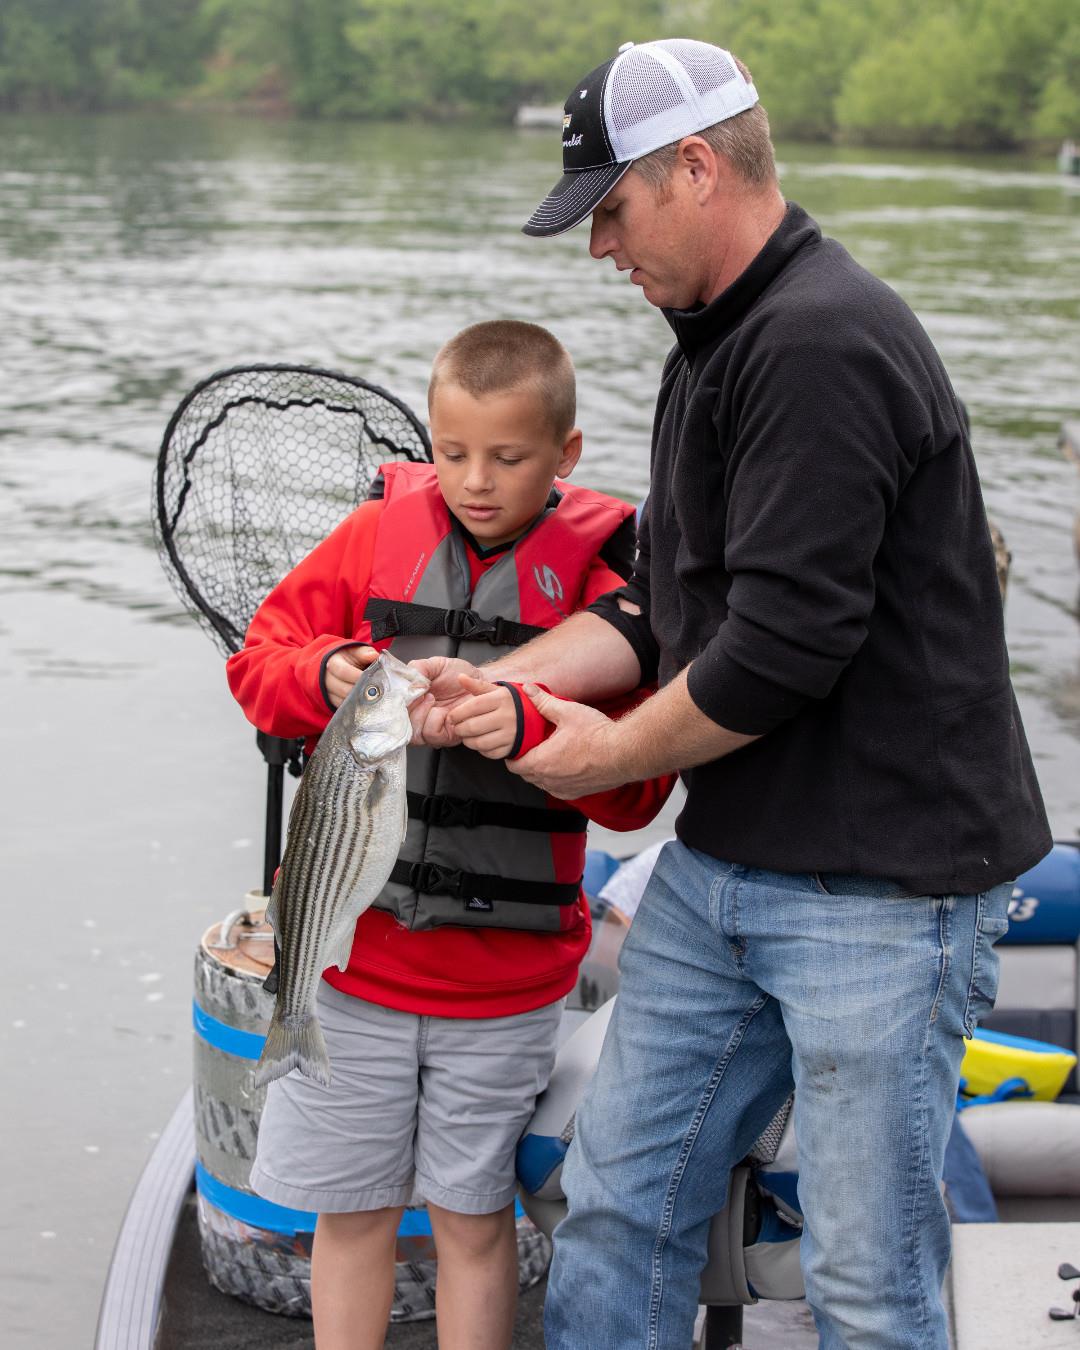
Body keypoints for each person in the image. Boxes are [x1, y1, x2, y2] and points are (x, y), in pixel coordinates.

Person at [410, 40, 1053, 1350]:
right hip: (729, 866)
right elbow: (661, 599)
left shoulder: (821, 342)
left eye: (610, 210)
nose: (599, 247)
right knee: (616, 1205)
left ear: (697, 167)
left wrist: (600, 758)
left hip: (886, 890)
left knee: (866, 1282)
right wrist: (496, 682)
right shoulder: (711, 341)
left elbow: (782, 647)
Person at [226, 319, 673, 1350]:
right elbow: (259, 665)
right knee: (353, 1217)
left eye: (508, 457)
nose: (476, 480)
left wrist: (536, 732)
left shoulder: (609, 586)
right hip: (353, 976)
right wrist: (324, 674)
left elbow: (640, 792)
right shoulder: (370, 540)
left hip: (503, 992)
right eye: (453, 451)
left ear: (565, 454)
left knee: (475, 1222)